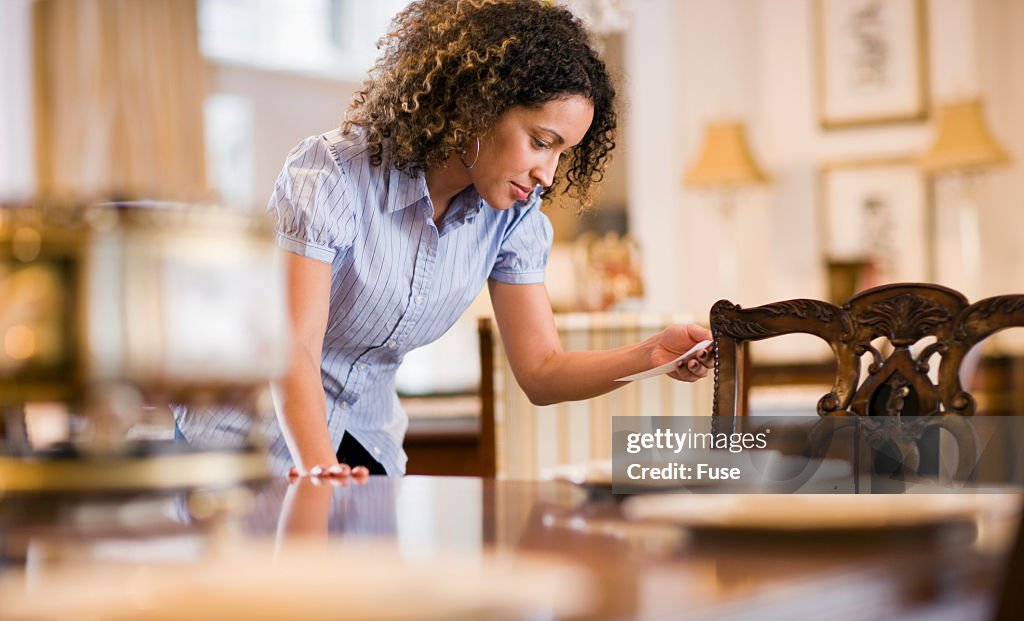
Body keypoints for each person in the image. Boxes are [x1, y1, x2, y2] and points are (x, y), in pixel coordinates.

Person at [174, 0, 712, 479]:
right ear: (478, 105)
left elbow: (542, 371)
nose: (548, 173)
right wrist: (320, 472)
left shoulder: (513, 218)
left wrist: (650, 354)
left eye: (561, 153)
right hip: (245, 447)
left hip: (365, 444)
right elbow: (293, 350)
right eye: (540, 141)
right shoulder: (334, 175)